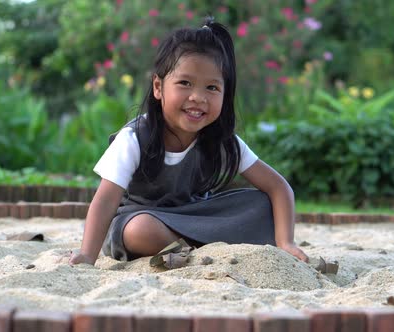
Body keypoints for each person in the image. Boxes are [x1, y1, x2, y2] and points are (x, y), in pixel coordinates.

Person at [69, 18, 308, 265]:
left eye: (212, 88)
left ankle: (195, 247)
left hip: (197, 218)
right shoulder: (134, 138)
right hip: (142, 221)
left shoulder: (222, 141)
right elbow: (106, 200)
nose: (198, 97)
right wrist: (87, 254)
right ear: (158, 87)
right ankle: (201, 248)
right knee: (140, 230)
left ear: (225, 96)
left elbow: (279, 188)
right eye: (185, 83)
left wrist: (286, 243)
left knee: (261, 203)